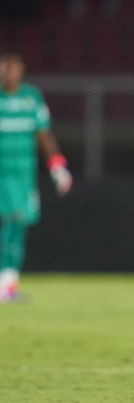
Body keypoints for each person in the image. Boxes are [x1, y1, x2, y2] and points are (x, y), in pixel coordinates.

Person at [0, 53, 72, 303]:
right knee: (10, 223)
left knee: (16, 224)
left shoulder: (31, 98)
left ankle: (7, 284)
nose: (8, 75)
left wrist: (58, 169)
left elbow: (44, 136)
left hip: (22, 174)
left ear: (21, 72)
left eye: (13, 70)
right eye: (4, 70)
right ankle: (5, 285)